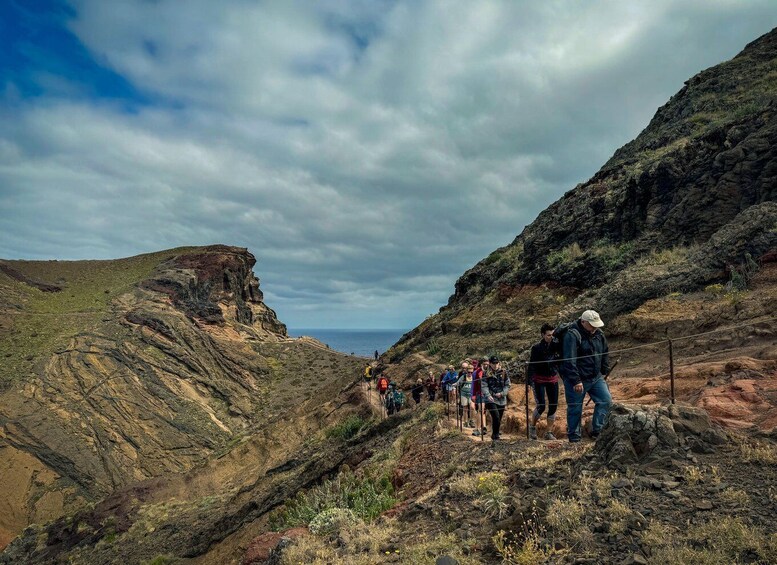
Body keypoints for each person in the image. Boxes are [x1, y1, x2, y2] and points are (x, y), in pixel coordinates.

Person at [559, 310, 612, 443]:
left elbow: (604, 352)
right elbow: (569, 360)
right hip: (576, 379)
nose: (595, 327)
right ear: (583, 322)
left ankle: (597, 430)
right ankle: (574, 438)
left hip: (595, 377)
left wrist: (604, 371)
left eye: (596, 324)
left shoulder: (599, 334)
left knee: (606, 400)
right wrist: (576, 380)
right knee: (575, 408)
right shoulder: (572, 335)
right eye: (592, 325)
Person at [528, 323, 560, 440]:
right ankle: (532, 428)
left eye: (552, 335)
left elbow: (560, 359)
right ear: (542, 335)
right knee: (541, 405)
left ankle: (549, 432)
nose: (550, 337)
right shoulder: (536, 348)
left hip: (552, 378)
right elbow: (532, 365)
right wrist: (529, 381)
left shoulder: (556, 346)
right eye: (548, 335)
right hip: (539, 379)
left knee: (553, 405)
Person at [482, 356, 510, 441]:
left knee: (499, 418)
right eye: (493, 363)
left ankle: (494, 435)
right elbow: (484, 385)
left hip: (501, 399)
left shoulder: (504, 372)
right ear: (490, 363)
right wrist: (488, 395)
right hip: (490, 399)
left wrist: (502, 393)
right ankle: (496, 436)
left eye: (496, 363)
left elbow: (507, 385)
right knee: (496, 416)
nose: (495, 365)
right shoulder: (486, 373)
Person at [453, 362, 475, 427]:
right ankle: (465, 422)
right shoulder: (463, 377)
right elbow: (458, 382)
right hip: (464, 394)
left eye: (471, 372)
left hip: (471, 394)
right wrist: (454, 385)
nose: (470, 374)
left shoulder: (474, 377)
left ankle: (471, 421)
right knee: (465, 408)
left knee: (472, 408)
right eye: (469, 372)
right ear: (467, 371)